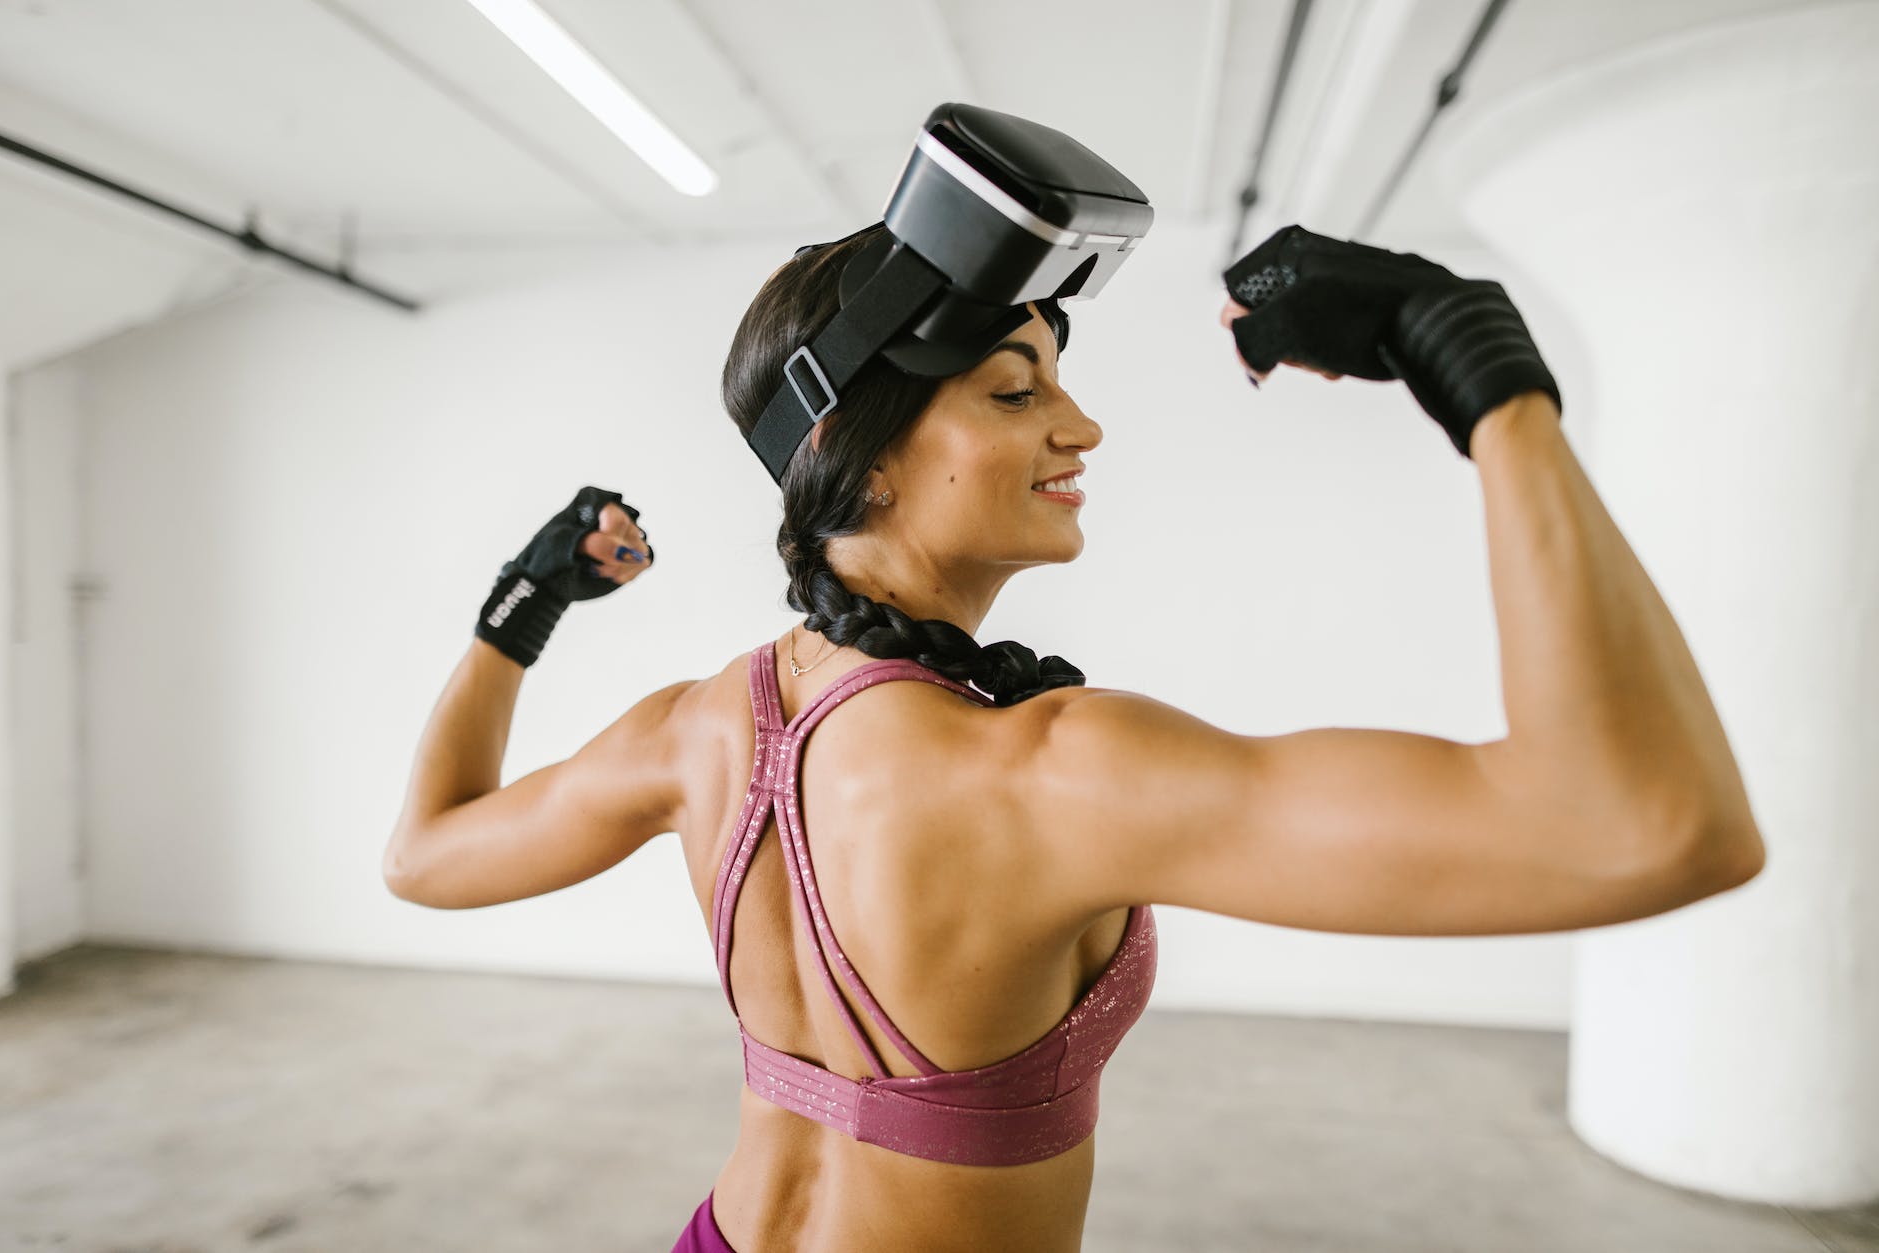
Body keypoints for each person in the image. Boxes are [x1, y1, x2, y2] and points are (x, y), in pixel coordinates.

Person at [383, 224, 1766, 1253]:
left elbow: (426, 854)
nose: (1080, 424)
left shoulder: (696, 729)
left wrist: (524, 608)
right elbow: (1643, 824)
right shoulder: (1048, 772)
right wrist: (1489, 380)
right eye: (1011, 389)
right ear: (857, 459)